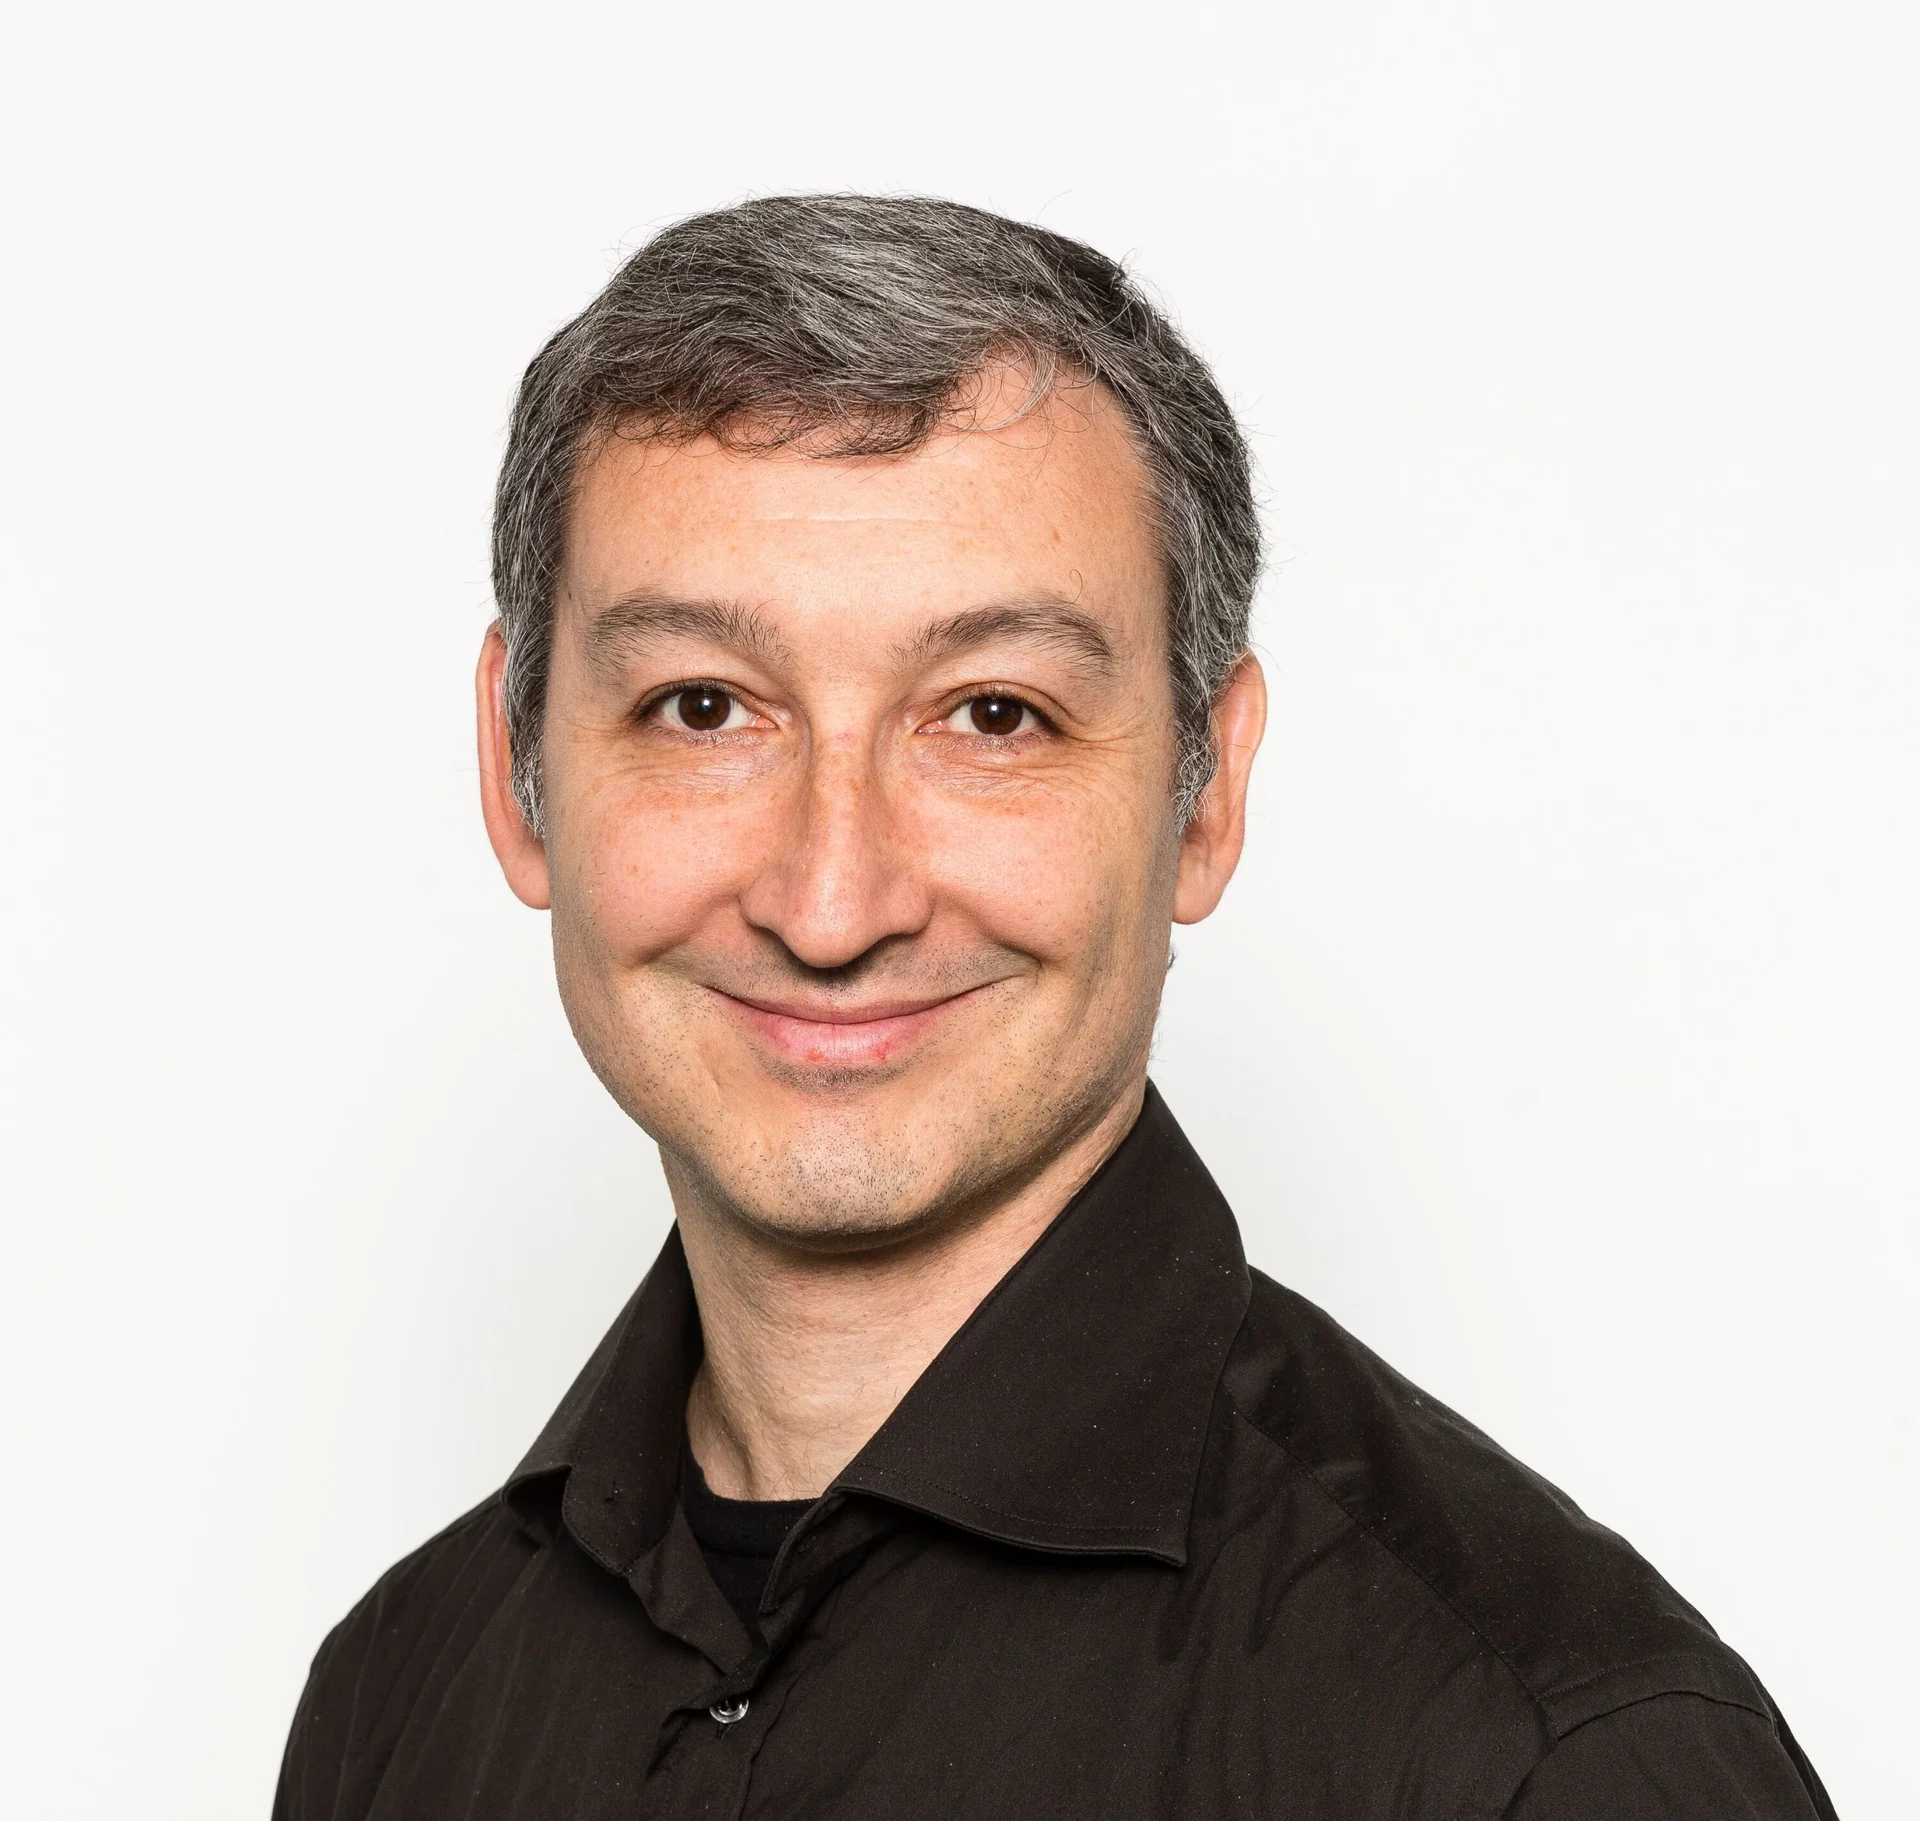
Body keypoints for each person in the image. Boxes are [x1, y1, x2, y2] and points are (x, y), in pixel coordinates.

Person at [274, 195, 1835, 1820]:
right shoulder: (397, 1702)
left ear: (1204, 796)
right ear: (516, 767)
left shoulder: (1546, 1759)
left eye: (993, 716)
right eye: (705, 707)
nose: (832, 901)